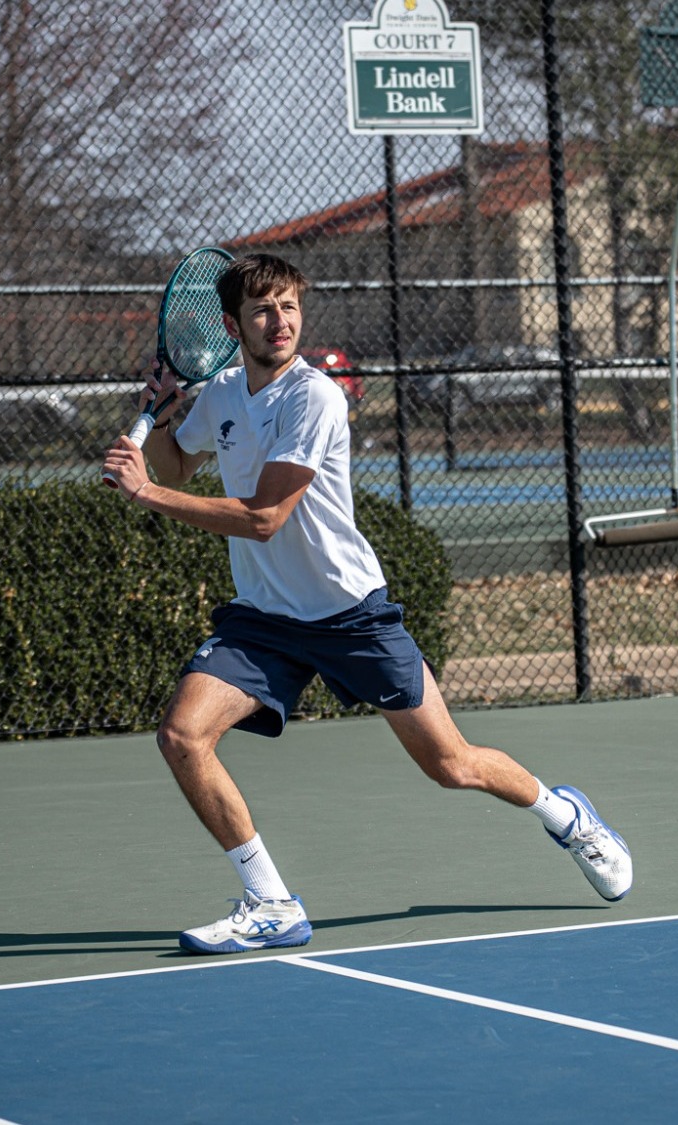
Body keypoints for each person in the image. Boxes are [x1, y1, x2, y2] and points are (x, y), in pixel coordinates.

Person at [101, 254, 631, 955]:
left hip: (350, 615)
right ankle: (271, 901)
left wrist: (145, 492)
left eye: (289, 306)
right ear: (233, 326)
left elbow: (265, 517)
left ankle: (567, 815)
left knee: (452, 764)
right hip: (264, 620)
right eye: (263, 310)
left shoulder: (314, 399)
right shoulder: (224, 393)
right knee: (182, 735)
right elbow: (176, 465)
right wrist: (161, 425)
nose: (280, 321)